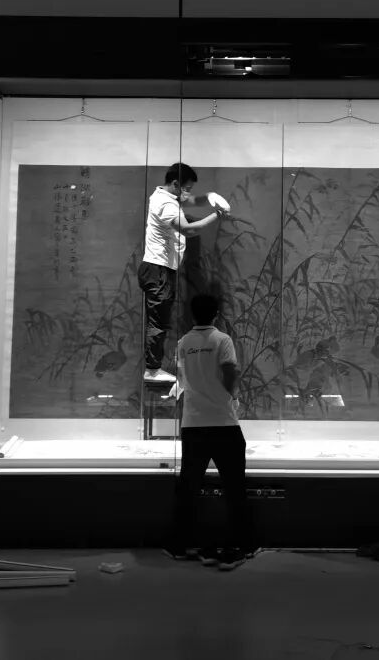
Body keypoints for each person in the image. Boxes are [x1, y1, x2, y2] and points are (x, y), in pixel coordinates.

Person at [163, 294, 256, 571]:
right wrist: (234, 396)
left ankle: (181, 545)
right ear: (216, 313)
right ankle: (239, 546)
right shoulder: (222, 340)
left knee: (188, 487)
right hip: (223, 424)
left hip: (193, 425)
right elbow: (230, 372)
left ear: (193, 314)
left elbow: (182, 379)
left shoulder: (183, 343)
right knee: (234, 487)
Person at [138, 162, 230, 383]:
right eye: (187, 188)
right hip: (158, 269)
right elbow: (188, 230)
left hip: (159, 268)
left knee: (159, 319)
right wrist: (217, 216)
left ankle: (153, 368)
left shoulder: (165, 195)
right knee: (158, 321)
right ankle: (152, 370)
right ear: (175, 184)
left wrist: (210, 197)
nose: (188, 193)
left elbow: (192, 200)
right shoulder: (165, 203)